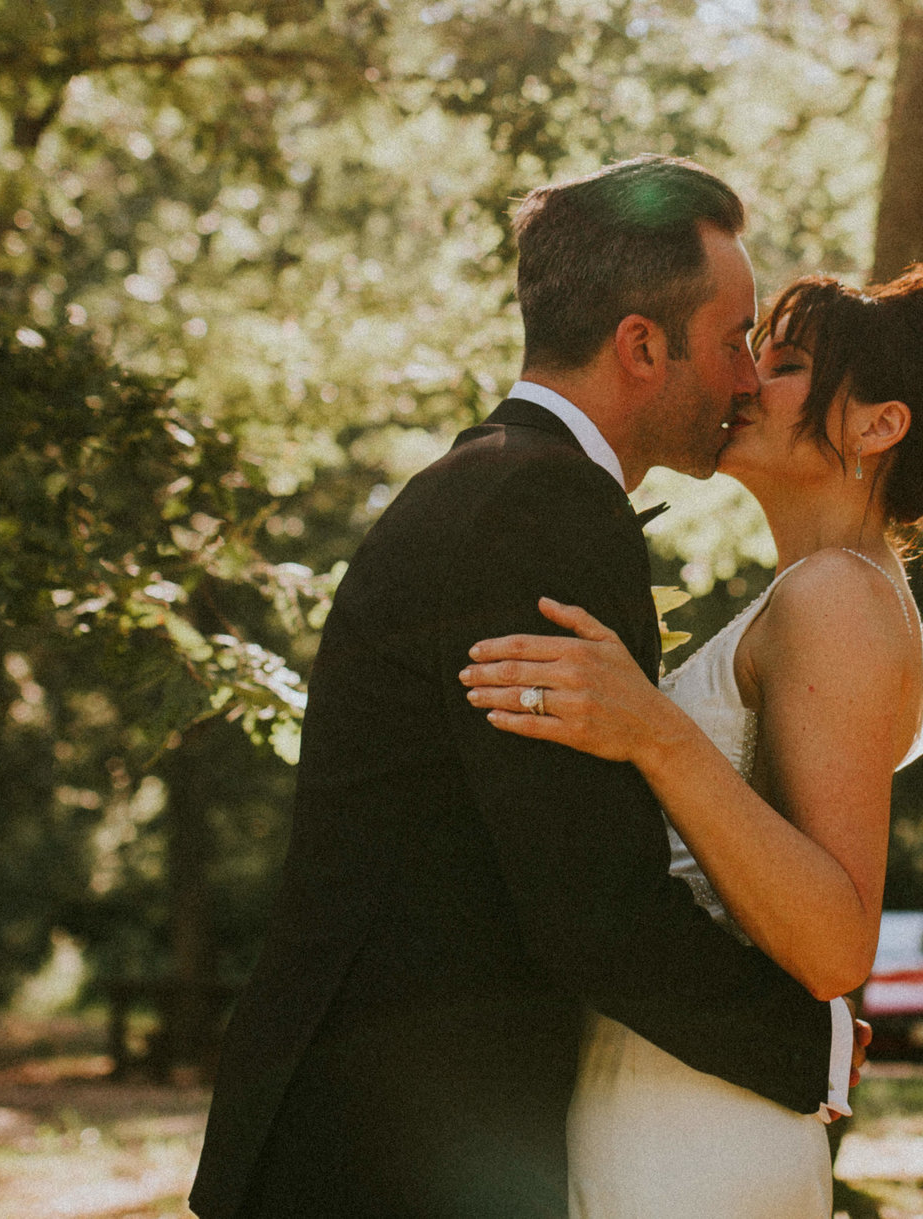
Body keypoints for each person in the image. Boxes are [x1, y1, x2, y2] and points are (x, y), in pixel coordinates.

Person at [187, 156, 847, 1219]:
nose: (745, 377)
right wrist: (810, 1034)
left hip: (373, 1128)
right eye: (733, 338)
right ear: (641, 344)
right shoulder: (540, 507)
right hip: (383, 1153)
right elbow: (585, 899)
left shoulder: (492, 480)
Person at [462, 263, 923, 1219]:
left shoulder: (838, 597)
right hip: (668, 1077)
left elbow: (835, 942)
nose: (742, 381)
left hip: (695, 1128)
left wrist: (651, 728)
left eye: (788, 364)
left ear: (877, 424)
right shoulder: (825, 590)